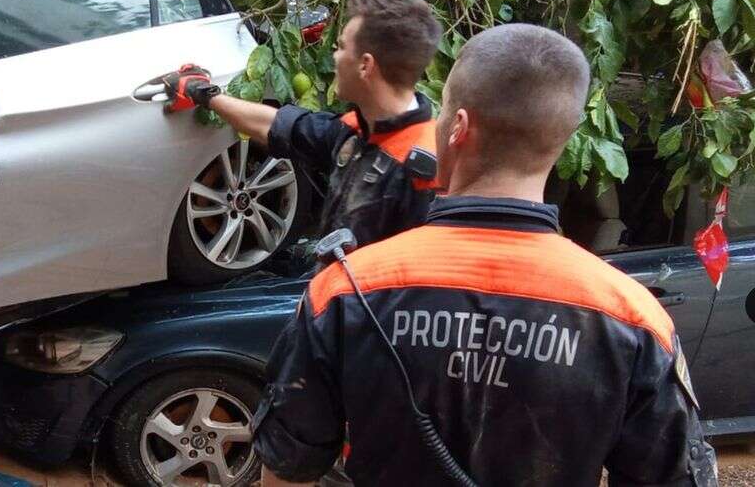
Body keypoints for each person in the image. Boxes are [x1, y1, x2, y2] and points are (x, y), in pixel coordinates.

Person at [252, 24, 718, 486]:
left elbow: (288, 470)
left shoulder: (345, 290)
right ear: (564, 136)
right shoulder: (631, 317)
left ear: (457, 127)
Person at [161, 0, 443, 246]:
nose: (334, 55)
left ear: (365, 65)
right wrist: (206, 94)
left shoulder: (425, 172)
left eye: (341, 47)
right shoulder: (358, 132)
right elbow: (275, 125)